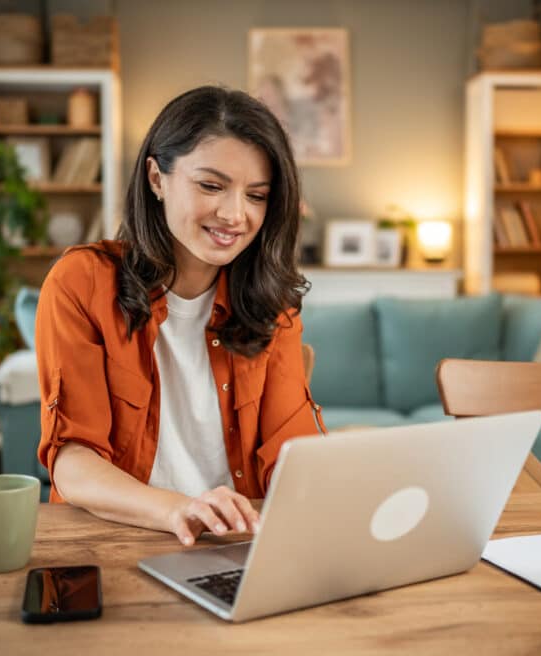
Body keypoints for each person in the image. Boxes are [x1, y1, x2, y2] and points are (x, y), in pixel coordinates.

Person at [35, 86, 326, 546]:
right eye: (211, 185)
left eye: (256, 195)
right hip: (113, 540)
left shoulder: (274, 304)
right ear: (156, 178)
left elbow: (294, 449)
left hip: (235, 546)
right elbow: (73, 462)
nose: (235, 214)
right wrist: (180, 510)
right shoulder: (81, 283)